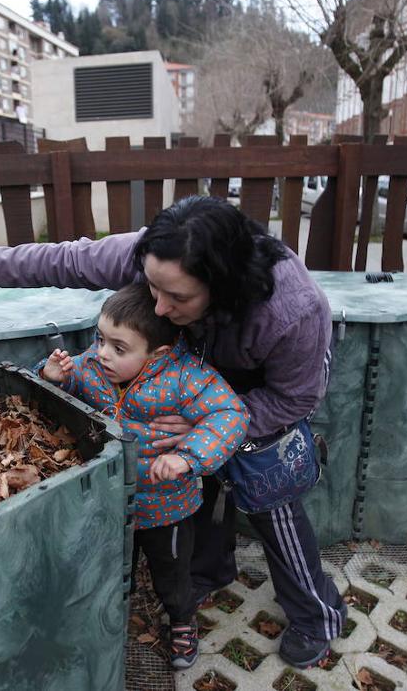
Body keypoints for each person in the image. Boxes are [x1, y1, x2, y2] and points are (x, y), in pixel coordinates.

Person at [0, 195, 347, 668]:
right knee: (190, 471)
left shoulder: (293, 311)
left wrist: (210, 425)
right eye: (152, 288)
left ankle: (318, 614)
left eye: (178, 297)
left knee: (269, 491)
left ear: (222, 285)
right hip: (194, 361)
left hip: (264, 385)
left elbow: (297, 398)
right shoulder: (157, 256)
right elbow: (64, 259)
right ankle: (211, 569)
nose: (160, 307)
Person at [37, 282, 248, 670]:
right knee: (113, 563)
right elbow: (69, 384)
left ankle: (182, 621)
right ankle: (113, 612)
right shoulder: (93, 367)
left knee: (172, 573)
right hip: (110, 500)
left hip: (168, 508)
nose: (101, 353)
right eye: (100, 339)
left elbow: (231, 415)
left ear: (158, 354)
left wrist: (188, 457)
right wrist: (54, 376)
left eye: (118, 348)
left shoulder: (186, 377)